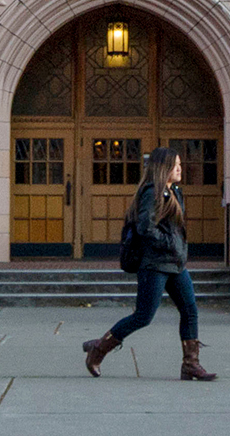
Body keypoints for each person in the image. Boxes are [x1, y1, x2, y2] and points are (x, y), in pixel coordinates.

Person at [81, 146, 216, 381]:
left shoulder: (173, 191)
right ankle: (99, 349)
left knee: (190, 310)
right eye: (175, 165)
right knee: (143, 316)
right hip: (154, 264)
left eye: (180, 164)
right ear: (163, 167)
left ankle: (191, 364)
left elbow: (175, 229)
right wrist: (169, 243)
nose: (180, 168)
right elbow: (145, 228)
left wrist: (178, 249)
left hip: (175, 264)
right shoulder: (151, 192)